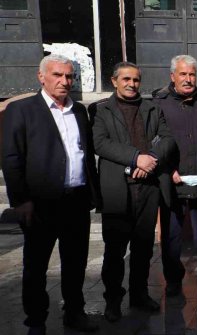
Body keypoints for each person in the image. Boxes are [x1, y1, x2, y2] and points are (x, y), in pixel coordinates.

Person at [2, 54, 100, 334]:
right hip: (40, 204)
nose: (64, 81)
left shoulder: (79, 110)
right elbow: (11, 158)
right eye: (57, 75)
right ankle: (36, 321)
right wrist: (21, 201)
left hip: (76, 201)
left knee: (75, 262)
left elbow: (85, 152)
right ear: (41, 77)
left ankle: (74, 312)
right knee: (35, 267)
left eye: (69, 76)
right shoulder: (21, 110)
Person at [90, 62, 176, 322]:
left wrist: (149, 160)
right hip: (117, 189)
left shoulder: (152, 108)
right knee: (115, 250)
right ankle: (113, 300)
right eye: (126, 79)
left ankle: (139, 294)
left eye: (136, 79)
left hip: (148, 187)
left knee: (143, 247)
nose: (131, 84)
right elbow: (100, 143)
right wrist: (135, 158)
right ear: (114, 81)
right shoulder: (100, 109)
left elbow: (168, 139)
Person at [153, 55, 197, 296]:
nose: (188, 79)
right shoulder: (159, 103)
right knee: (171, 239)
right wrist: (167, 169)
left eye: (192, 74)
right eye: (183, 74)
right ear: (172, 76)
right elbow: (154, 142)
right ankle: (173, 279)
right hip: (172, 183)